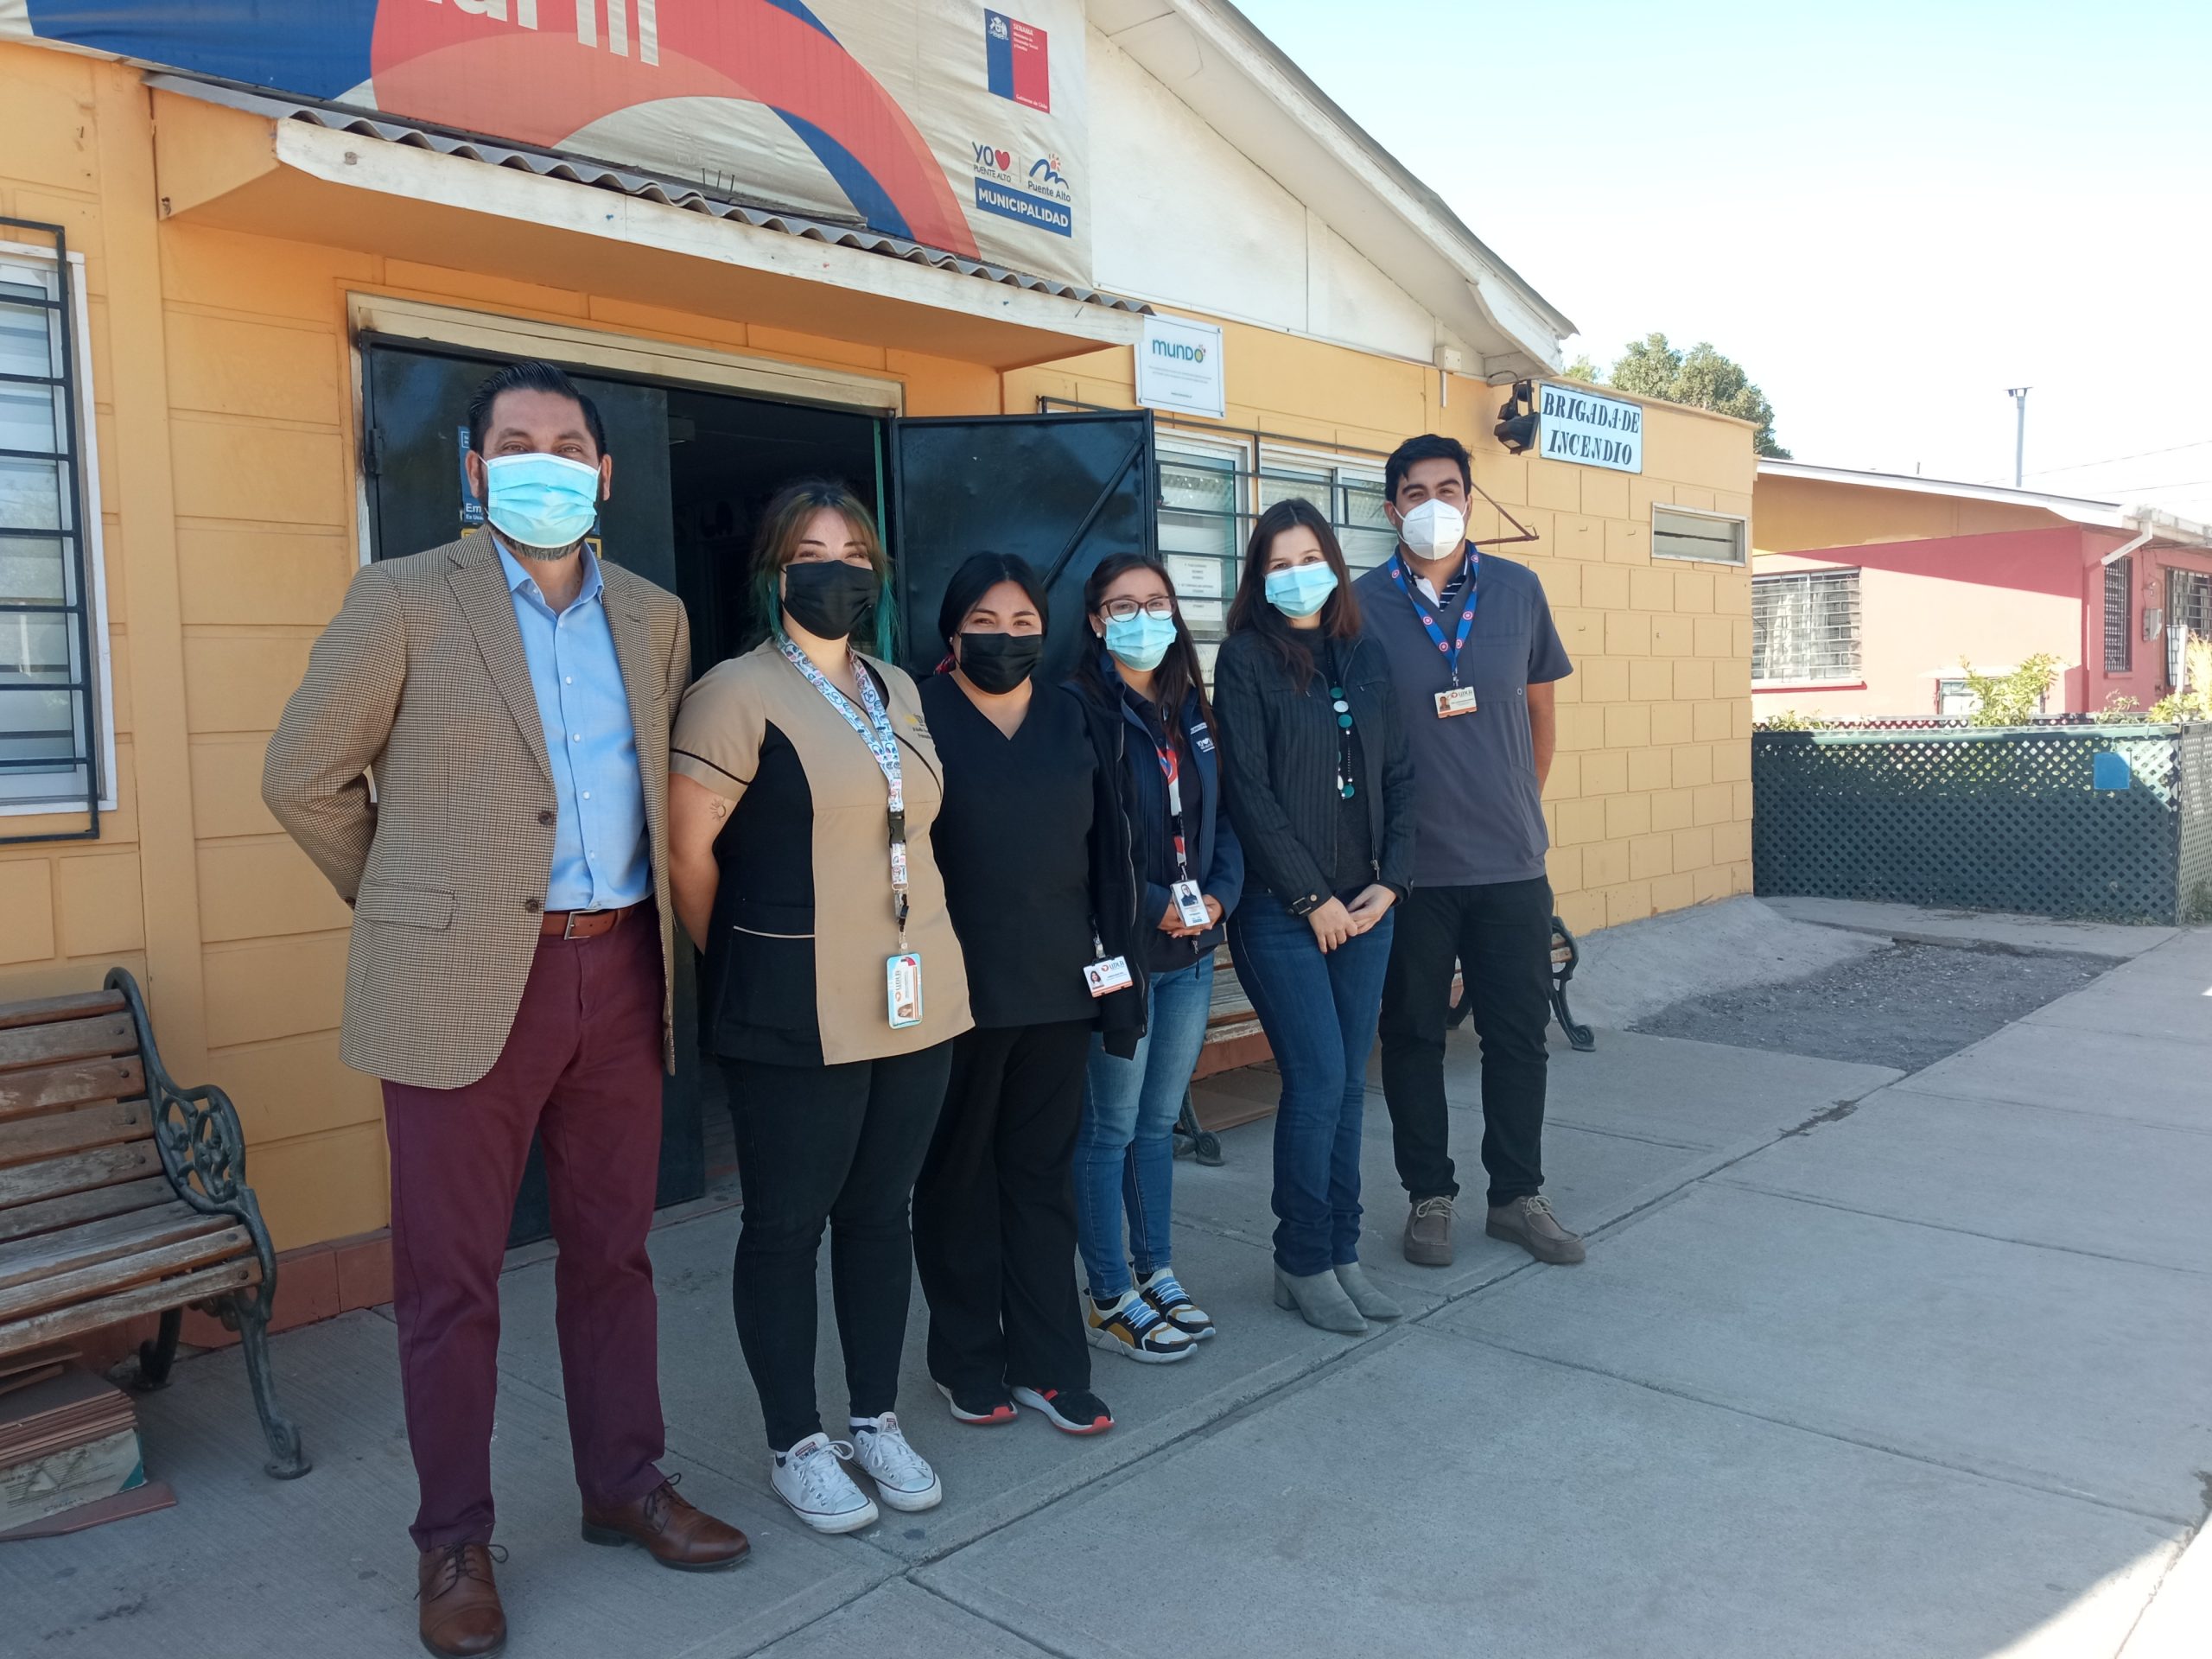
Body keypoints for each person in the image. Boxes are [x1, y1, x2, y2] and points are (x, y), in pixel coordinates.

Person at [264, 360, 747, 1659]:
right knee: (450, 1283)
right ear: (477, 472)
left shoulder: (653, 617)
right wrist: (414, 907)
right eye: (518, 443)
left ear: (605, 473)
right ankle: (453, 1541)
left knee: (614, 1255)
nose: (547, 461)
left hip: (622, 969)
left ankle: (624, 1483)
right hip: (465, 981)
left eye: (569, 444)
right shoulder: (404, 598)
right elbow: (304, 776)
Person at [666, 480, 970, 1535]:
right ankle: (796, 1441)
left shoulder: (898, 687)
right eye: (811, 553)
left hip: (914, 994)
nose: (835, 571)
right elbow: (689, 856)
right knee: (787, 1225)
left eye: (853, 555)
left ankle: (874, 1418)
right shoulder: (733, 692)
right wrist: (749, 962)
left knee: (881, 1213)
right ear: (773, 570)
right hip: (795, 1000)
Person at [912, 553, 1145, 1436]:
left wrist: (1119, 986)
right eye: (984, 622)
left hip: (1057, 991)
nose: (1003, 639)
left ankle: (1050, 1365)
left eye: (1022, 625)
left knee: (1041, 1184)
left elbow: (1111, 858)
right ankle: (967, 1360)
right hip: (953, 995)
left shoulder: (1074, 715)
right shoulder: (914, 715)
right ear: (952, 629)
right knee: (957, 1182)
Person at [1353, 434, 1582, 1269]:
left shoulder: (1519, 591)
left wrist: (1517, 803)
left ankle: (1518, 1196)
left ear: (1471, 500)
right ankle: (1430, 1197)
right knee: (1412, 1037)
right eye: (1415, 493)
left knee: (1518, 1038)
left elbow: (1541, 714)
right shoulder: (1358, 606)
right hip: (1408, 873)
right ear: (1392, 510)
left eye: (1448, 488)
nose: (1433, 505)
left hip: (1512, 864)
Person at [1214, 499, 1414, 1334]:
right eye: (1279, 563)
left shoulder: (1366, 653)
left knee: (1348, 1088)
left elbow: (1401, 775)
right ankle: (1300, 1261)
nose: (1297, 575)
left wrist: (1391, 883)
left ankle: (1341, 1252)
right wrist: (1312, 898)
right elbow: (1249, 792)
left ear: (1333, 564)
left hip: (1368, 908)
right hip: (1281, 913)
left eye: (1310, 559)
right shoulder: (1245, 659)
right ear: (1258, 577)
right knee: (1319, 1080)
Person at [1069, 553, 1243, 1361]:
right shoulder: (1079, 710)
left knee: (1156, 1122)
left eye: (1157, 602)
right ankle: (1109, 1295)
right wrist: (1151, 906)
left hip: (1192, 953)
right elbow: (1078, 842)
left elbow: (1223, 820)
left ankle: (1155, 1271)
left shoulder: (1188, 707)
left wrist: (1219, 897)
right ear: (1096, 621)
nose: (1143, 618)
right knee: (1109, 1129)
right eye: (1123, 605)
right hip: (1124, 955)